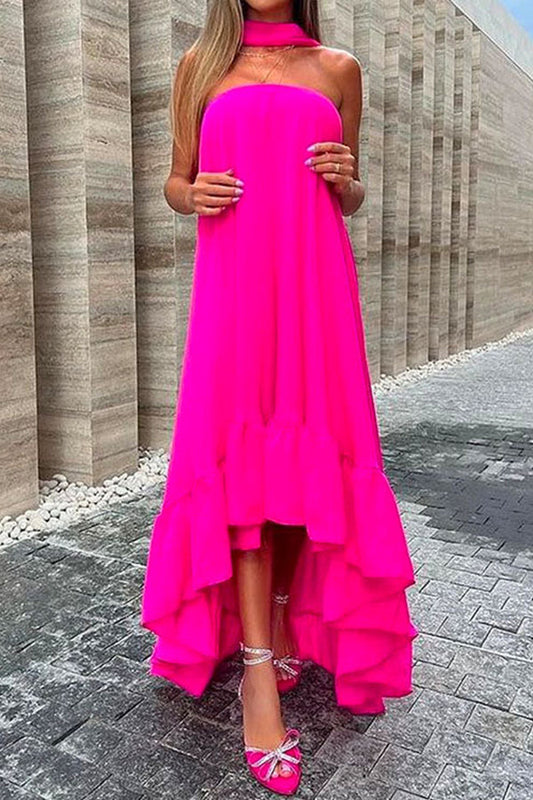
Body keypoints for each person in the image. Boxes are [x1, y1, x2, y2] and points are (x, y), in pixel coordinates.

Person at [141, 0, 419, 794]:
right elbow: (174, 180)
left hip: (315, 286)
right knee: (243, 473)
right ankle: (257, 674)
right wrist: (190, 194)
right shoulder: (200, 65)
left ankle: (293, 617)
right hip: (233, 289)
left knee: (310, 461)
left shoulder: (337, 68)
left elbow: (350, 195)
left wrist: (346, 180)